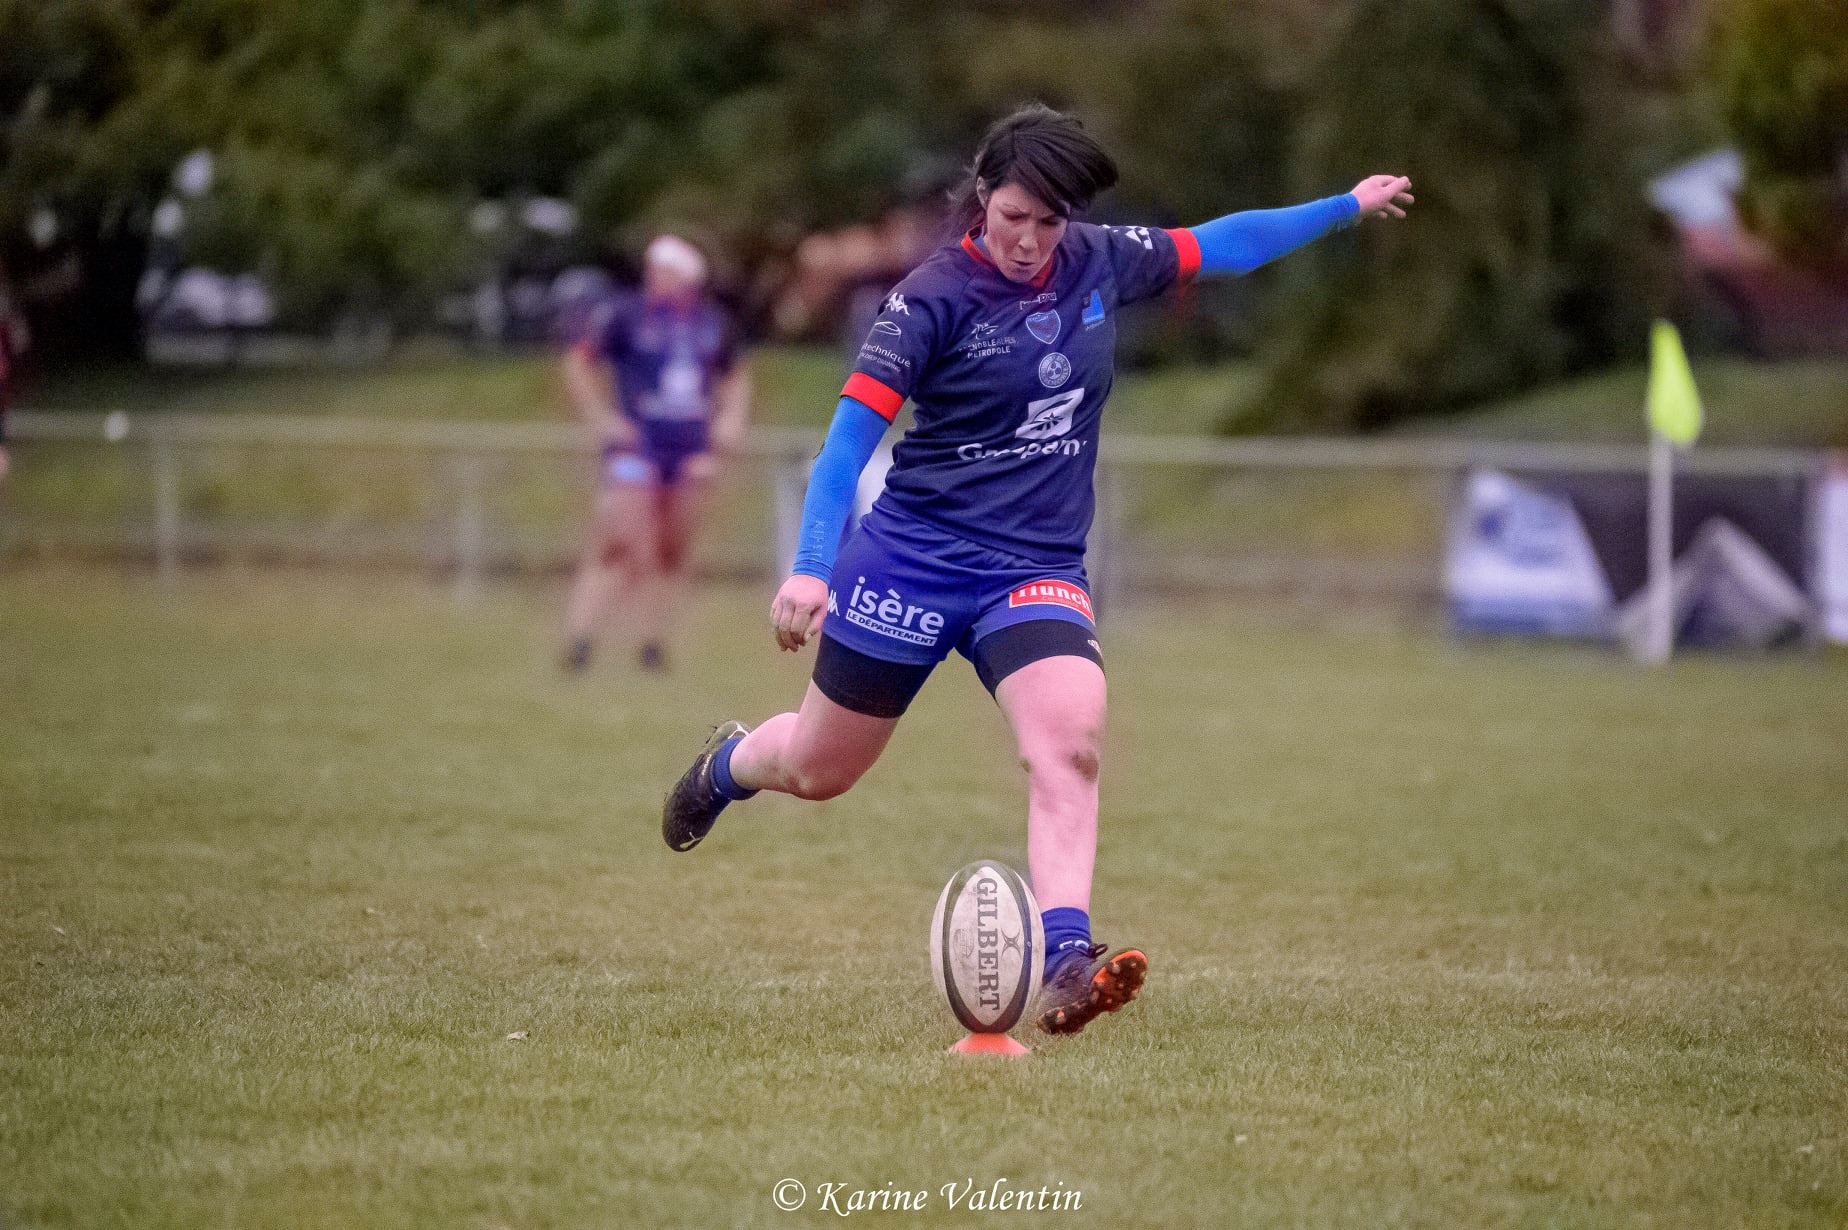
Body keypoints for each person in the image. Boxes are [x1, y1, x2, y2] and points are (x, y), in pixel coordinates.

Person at [663, 105, 1413, 1036]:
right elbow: (847, 443)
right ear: (985, 197)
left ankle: (1066, 960)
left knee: (1072, 738)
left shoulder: (1099, 260)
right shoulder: (930, 299)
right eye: (1015, 215)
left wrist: (1344, 205)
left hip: (1033, 566)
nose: (1029, 239)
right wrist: (812, 568)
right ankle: (730, 763)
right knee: (819, 770)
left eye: (1049, 222)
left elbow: (1223, 244)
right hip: (911, 561)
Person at [562, 235, 751, 673]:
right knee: (623, 543)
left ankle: (652, 643)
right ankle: (582, 639)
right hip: (636, 446)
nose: (654, 279)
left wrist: (731, 418)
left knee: (672, 549)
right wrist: (601, 417)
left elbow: (736, 374)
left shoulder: (710, 323)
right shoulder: (626, 316)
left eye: (664, 271)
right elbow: (578, 361)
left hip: (690, 450)